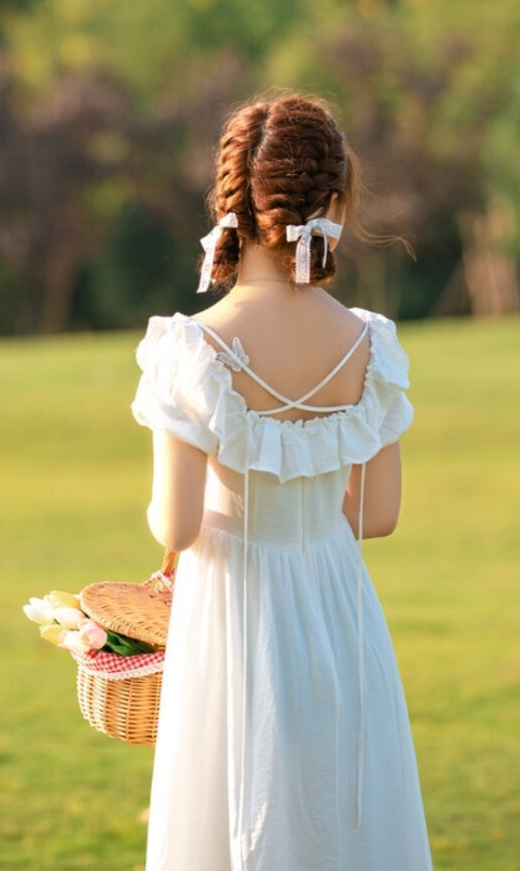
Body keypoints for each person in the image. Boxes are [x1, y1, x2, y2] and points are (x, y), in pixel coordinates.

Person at [131, 93, 433, 871]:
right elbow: (379, 512)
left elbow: (177, 524)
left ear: (229, 201)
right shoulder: (370, 342)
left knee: (240, 811)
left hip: (235, 613)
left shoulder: (193, 347)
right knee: (340, 810)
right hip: (336, 603)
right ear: (332, 203)